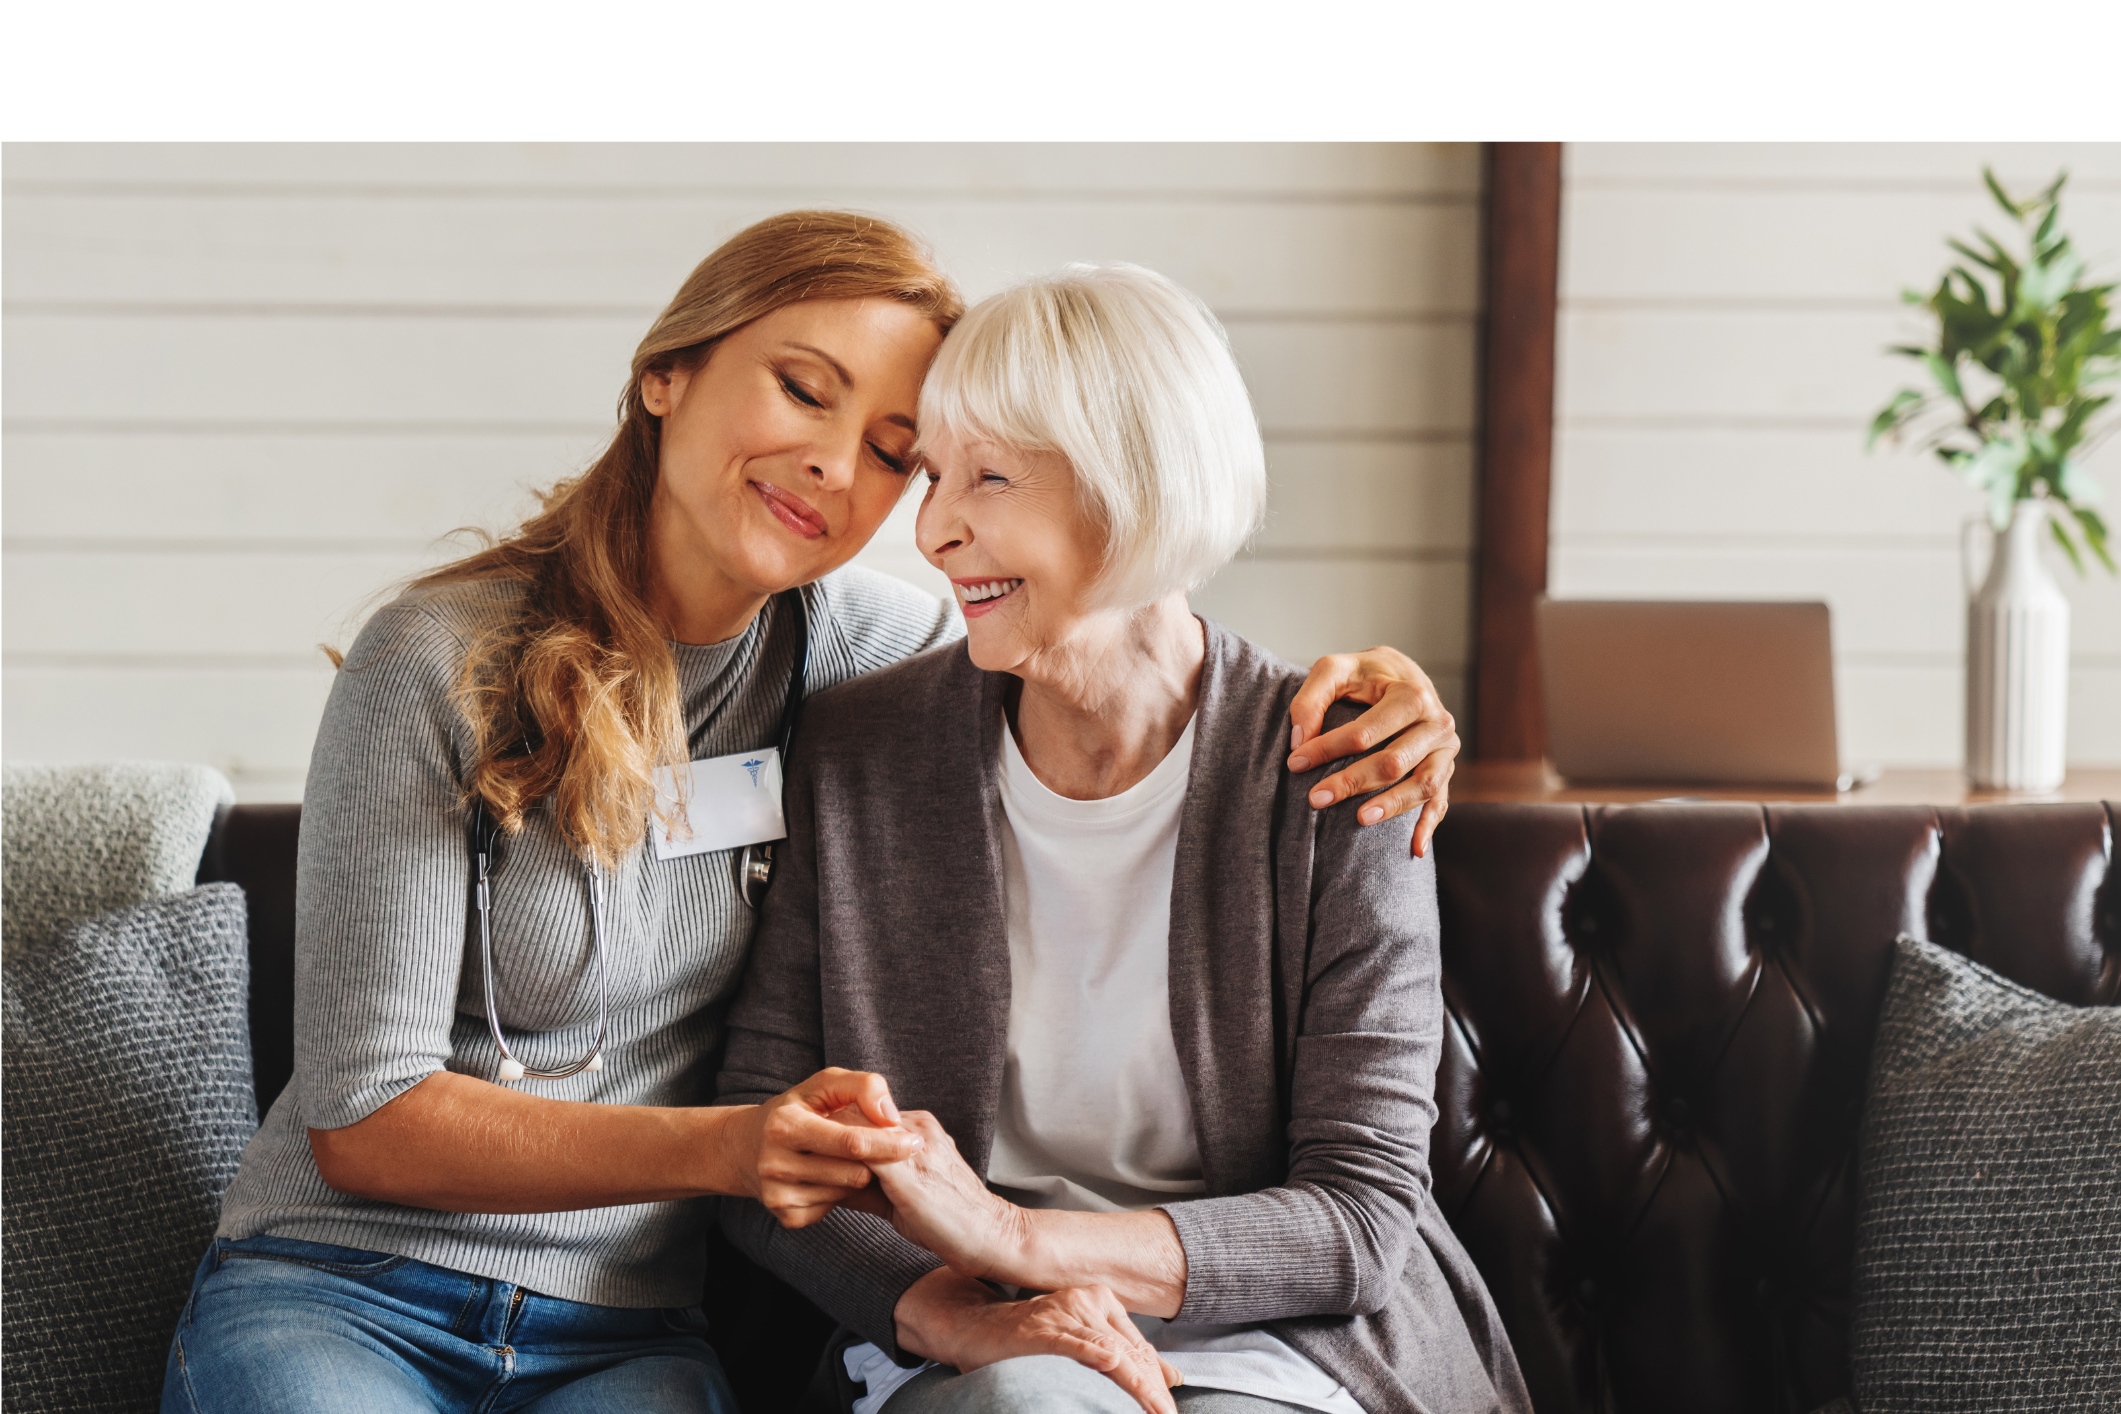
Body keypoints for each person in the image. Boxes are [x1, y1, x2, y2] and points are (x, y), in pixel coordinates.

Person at [161, 212, 1466, 1414]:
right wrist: (779, 1175)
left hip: (623, 1323)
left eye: (903, 457)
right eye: (802, 387)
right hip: (346, 1287)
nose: (874, 490)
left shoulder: (872, 667)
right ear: (666, 372)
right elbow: (368, 1111)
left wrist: (1401, 698)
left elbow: (1117, 637)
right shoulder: (452, 661)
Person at [717, 263, 1530, 1414]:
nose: (937, 529)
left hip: (1286, 1343)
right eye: (936, 476)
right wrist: (959, 1298)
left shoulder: (1341, 770)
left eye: (989, 477)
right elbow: (761, 1145)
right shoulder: (861, 750)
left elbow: (1356, 1221)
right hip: (979, 1342)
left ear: (1138, 490)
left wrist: (1012, 1232)